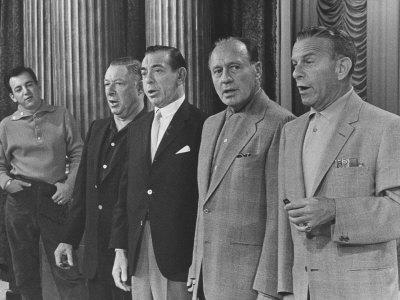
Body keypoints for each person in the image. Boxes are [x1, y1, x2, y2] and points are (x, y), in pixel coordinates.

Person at [277, 26, 400, 300]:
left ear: (342, 67)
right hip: (302, 291)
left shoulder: (387, 127)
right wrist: (284, 290)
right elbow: (284, 221)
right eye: (295, 64)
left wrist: (334, 210)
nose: (296, 73)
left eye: (308, 61)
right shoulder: (291, 132)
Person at [188, 37, 294, 300]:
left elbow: (279, 218)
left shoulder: (280, 123)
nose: (225, 78)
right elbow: (206, 206)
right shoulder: (210, 125)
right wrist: (195, 267)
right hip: (206, 278)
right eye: (217, 71)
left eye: (234, 67)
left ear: (256, 70)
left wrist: (269, 290)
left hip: (248, 284)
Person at [110, 45, 207, 300]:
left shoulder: (202, 124)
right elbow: (125, 192)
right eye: (143, 73)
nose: (148, 80)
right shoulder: (138, 127)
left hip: (180, 255)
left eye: (158, 71)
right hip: (139, 249)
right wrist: (121, 249)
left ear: (181, 76)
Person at [54, 57, 146, 300]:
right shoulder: (97, 128)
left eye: (119, 83)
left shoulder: (150, 131)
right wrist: (68, 239)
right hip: (96, 259)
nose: (110, 91)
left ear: (140, 88)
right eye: (106, 84)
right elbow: (83, 190)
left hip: (132, 259)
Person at [0, 66, 85, 299]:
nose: (26, 92)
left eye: (29, 85)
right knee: (23, 271)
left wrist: (69, 186)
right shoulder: (7, 125)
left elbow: (79, 155)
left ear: (38, 86)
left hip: (53, 197)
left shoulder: (61, 115)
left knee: (66, 266)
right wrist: (8, 184)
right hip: (20, 199)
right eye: (18, 89)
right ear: (12, 96)